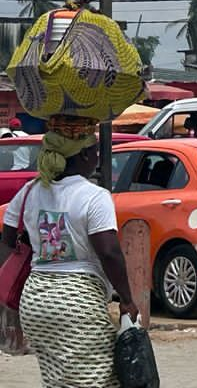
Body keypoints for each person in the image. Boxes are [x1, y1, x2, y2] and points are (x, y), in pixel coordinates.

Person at [0, 116, 139, 387]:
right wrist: (127, 299)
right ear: (85, 154)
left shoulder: (29, 191)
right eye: (95, 151)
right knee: (98, 379)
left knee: (57, 380)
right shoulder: (93, 196)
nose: (97, 157)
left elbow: (7, 238)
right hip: (78, 302)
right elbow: (109, 252)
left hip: (36, 302)